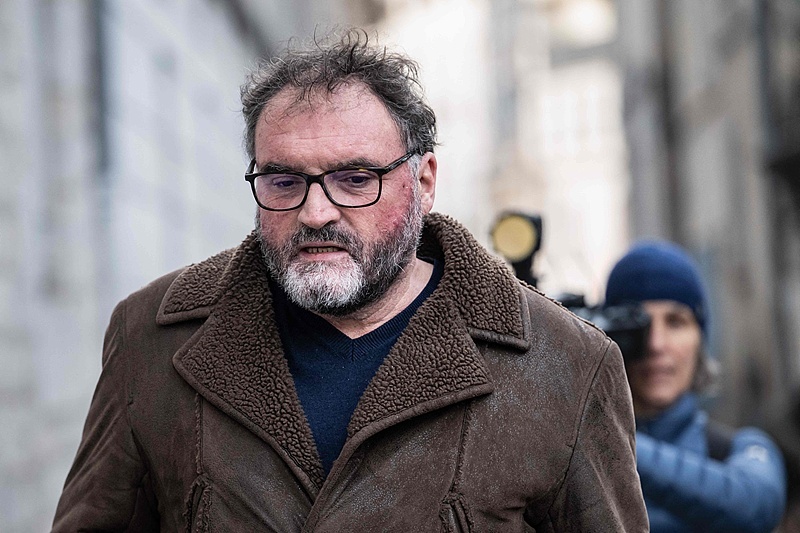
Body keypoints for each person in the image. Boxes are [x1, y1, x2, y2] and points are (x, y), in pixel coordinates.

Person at [53, 29, 647, 531]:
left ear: (425, 182)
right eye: (284, 181)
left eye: (356, 179)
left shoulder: (564, 364)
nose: (316, 213)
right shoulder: (152, 338)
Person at [605, 240, 786, 532]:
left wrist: (609, 441)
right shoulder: (579, 469)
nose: (656, 344)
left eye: (676, 322)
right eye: (639, 324)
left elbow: (756, 507)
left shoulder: (737, 449)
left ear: (700, 339)